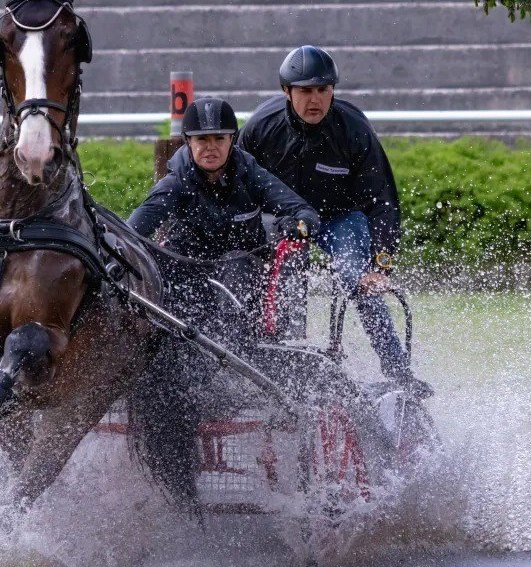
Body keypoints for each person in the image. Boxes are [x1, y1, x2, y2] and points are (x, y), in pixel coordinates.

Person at [239, 45, 428, 394]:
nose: (315, 100)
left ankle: (398, 371)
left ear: (333, 91)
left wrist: (381, 265)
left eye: (323, 90)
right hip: (283, 221)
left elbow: (382, 201)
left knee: (357, 277)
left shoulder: (355, 130)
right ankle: (273, 359)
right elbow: (239, 189)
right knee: (270, 268)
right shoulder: (260, 128)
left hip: (339, 219)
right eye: (305, 91)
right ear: (286, 91)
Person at [128, 95, 320, 338]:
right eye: (202, 139)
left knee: (234, 263)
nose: (211, 147)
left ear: (232, 140)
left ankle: (233, 350)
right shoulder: (175, 183)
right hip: (189, 268)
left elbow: (304, 213)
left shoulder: (251, 174)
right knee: (161, 268)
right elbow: (132, 231)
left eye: (219, 138)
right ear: (188, 142)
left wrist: (298, 225)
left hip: (244, 270)